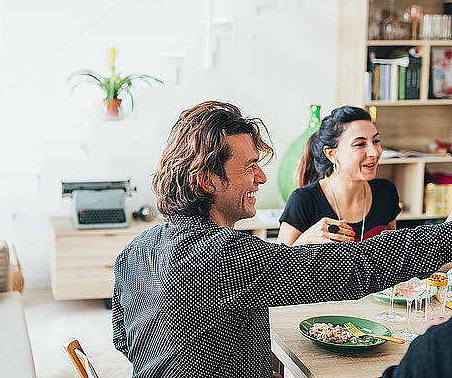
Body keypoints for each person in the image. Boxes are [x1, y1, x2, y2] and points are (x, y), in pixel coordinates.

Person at [111, 100, 452, 378]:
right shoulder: (222, 256)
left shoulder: (131, 253)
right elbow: (359, 266)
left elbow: (125, 342)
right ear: (206, 181)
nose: (261, 177)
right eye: (249, 167)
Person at [278, 106, 401, 246]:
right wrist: (304, 240)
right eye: (360, 144)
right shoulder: (303, 200)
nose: (374, 152)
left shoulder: (387, 192)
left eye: (376, 141)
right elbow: (277, 265)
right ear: (331, 154)